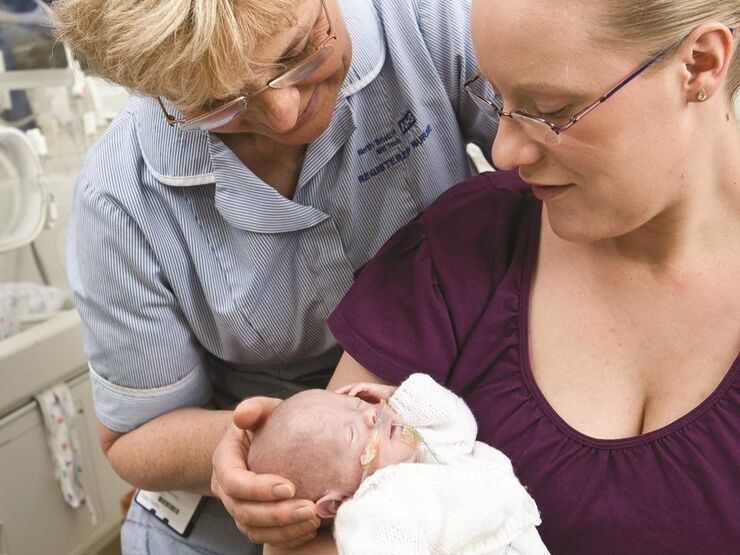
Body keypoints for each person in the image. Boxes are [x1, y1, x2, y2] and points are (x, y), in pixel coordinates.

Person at [227, 0, 740, 553]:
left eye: (550, 109)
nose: (503, 150)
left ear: (702, 64)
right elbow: (310, 540)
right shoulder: (462, 246)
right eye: (496, 98)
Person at [51, 0, 497, 551]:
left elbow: (565, 149)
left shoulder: (427, 22)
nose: (285, 115)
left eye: (302, 51)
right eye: (216, 103)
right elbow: (133, 436)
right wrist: (250, 450)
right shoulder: (118, 200)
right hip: (219, 523)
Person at [248, 374, 548, 555]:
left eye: (356, 404)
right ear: (333, 504)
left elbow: (460, 427)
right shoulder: (371, 511)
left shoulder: (422, 448)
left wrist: (400, 399)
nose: (369, 415)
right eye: (352, 434)